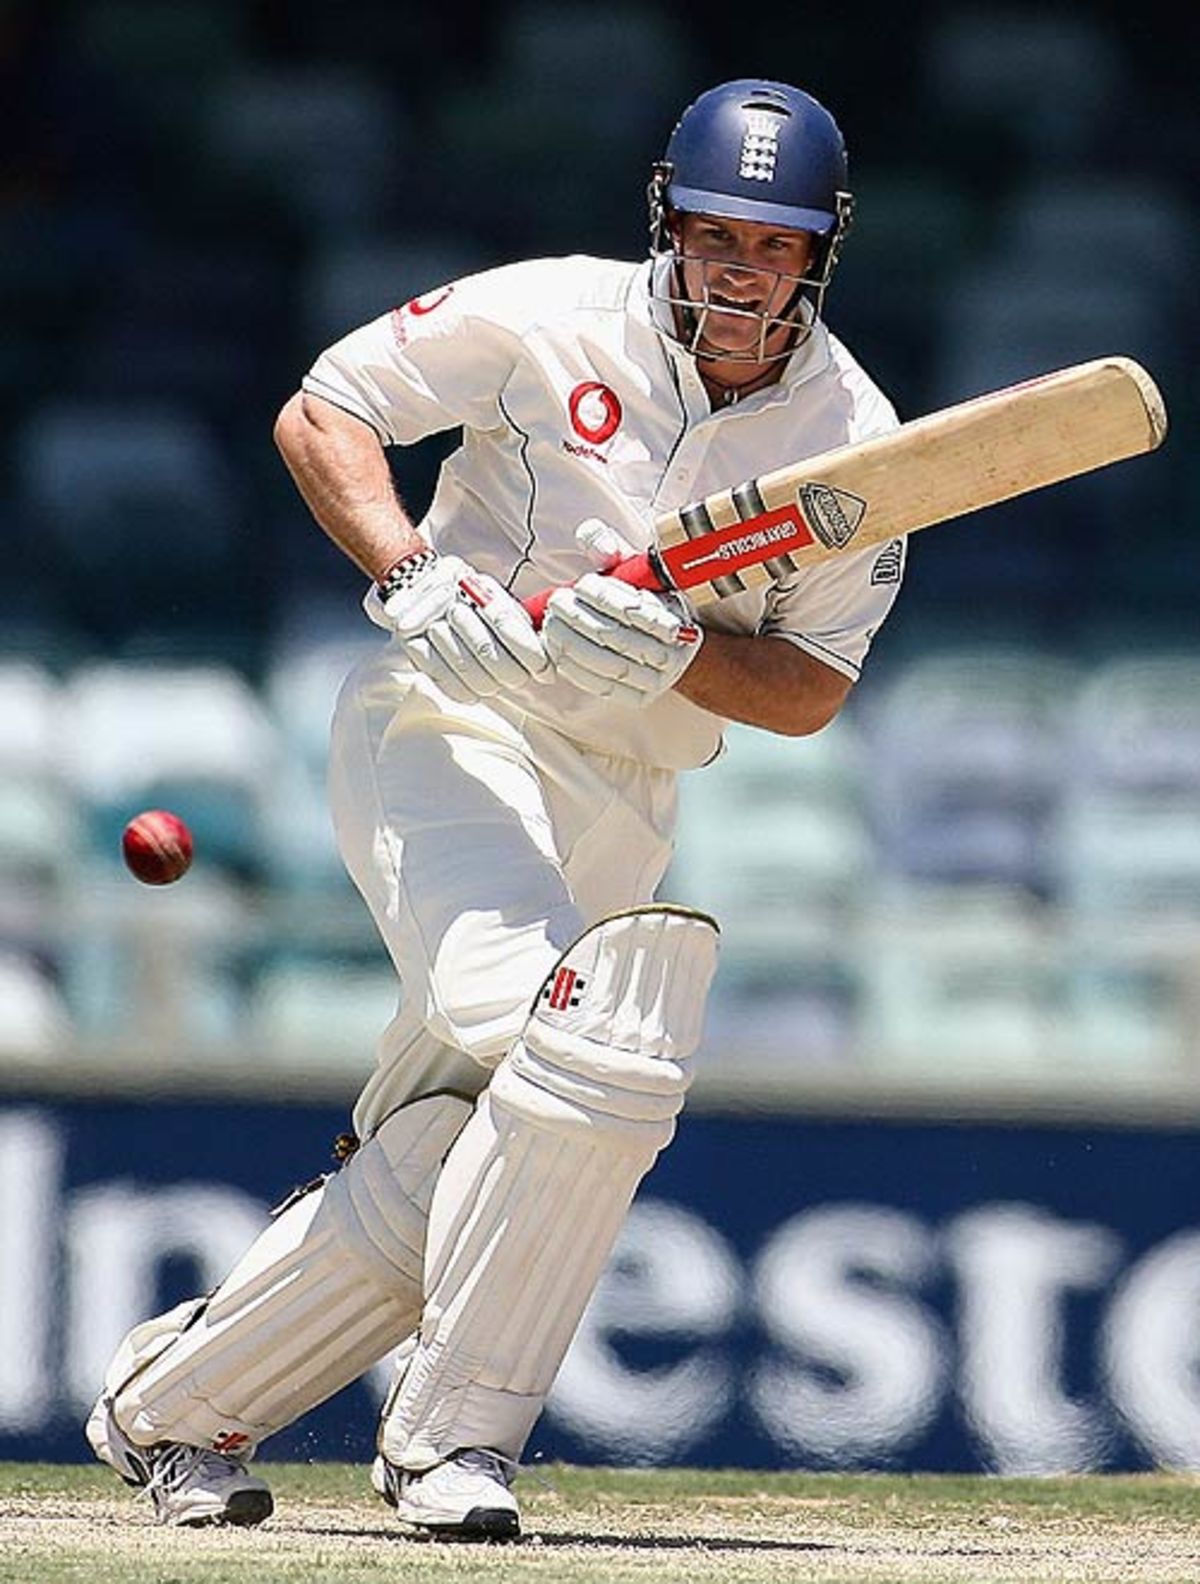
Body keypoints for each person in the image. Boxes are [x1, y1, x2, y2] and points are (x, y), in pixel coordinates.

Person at [86, 78, 906, 1539]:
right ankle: (454, 1444)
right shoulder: (549, 314)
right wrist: (408, 572)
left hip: (629, 787)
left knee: (477, 1128)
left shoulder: (853, 434)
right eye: (713, 234)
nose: (738, 271)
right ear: (665, 220)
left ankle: (167, 1411)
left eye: (772, 247)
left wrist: (683, 647)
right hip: (448, 727)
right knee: (594, 1037)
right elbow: (325, 409)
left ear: (820, 253)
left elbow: (813, 688)